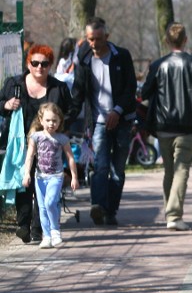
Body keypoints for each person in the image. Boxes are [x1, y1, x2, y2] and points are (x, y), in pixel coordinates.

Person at [0, 44, 78, 244]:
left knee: (42, 187)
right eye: (35, 63)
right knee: (24, 183)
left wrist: (59, 126)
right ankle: (23, 225)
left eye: (44, 64)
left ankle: (37, 229)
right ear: (28, 63)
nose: (39, 68)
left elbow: (71, 110)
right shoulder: (13, 84)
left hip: (49, 145)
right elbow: (0, 104)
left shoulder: (58, 88)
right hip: (21, 143)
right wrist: (6, 105)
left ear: (50, 65)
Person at [141, 22, 192, 231]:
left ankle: (170, 213)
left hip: (162, 125)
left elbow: (145, 92)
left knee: (169, 171)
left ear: (166, 41)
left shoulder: (158, 65)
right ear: (186, 40)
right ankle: (173, 214)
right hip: (187, 124)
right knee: (182, 170)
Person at [71, 18, 137, 226]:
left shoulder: (122, 56)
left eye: (98, 39)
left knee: (117, 169)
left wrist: (118, 111)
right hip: (98, 121)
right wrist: (67, 116)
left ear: (107, 37)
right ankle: (98, 205)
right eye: (90, 39)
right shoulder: (84, 59)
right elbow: (78, 92)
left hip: (122, 120)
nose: (94, 43)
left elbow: (130, 88)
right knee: (100, 166)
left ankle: (111, 210)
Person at [21, 103, 78, 248]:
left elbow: (70, 158)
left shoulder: (62, 139)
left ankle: (55, 231)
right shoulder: (35, 137)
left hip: (56, 176)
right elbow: (30, 156)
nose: (51, 123)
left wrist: (74, 177)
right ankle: (46, 236)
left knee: (50, 202)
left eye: (55, 120)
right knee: (42, 207)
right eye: (48, 120)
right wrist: (26, 173)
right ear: (41, 120)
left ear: (60, 122)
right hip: (40, 177)